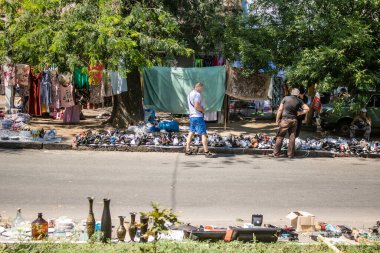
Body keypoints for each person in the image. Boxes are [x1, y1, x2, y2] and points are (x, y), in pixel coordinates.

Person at [273, 88, 310, 158]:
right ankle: (290, 154)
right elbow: (307, 109)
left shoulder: (285, 98)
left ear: (291, 93)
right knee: (292, 137)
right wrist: (300, 113)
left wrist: (277, 119)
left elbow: (280, 109)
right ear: (298, 94)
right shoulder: (299, 100)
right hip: (294, 120)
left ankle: (276, 153)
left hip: (285, 120)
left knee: (280, 136)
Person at [186, 82, 214, 158]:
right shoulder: (197, 94)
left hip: (192, 116)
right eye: (202, 88)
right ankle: (207, 152)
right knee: (203, 134)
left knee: (191, 132)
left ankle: (187, 149)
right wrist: (202, 110)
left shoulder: (189, 94)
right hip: (198, 116)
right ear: (198, 87)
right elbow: (196, 106)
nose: (202, 90)